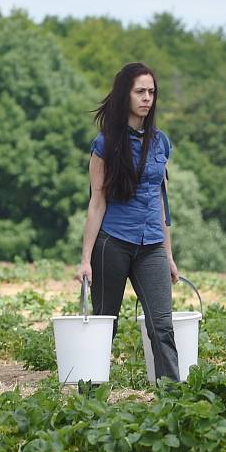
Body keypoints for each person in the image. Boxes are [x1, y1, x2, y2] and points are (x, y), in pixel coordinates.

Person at [76, 62, 180, 382]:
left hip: (151, 247)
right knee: (105, 324)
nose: (147, 98)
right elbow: (97, 202)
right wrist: (85, 260)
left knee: (161, 325)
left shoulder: (160, 142)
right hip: (113, 244)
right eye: (140, 92)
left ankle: (174, 403)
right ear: (126, 96)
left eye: (151, 92)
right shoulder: (105, 145)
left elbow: (162, 202)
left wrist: (168, 254)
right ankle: (90, 402)